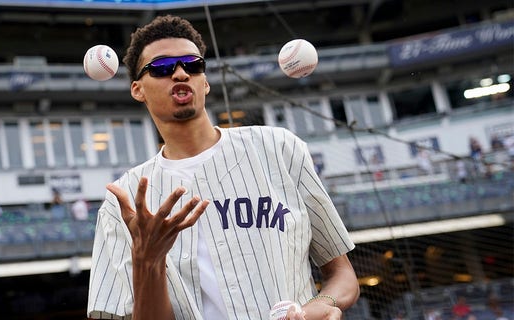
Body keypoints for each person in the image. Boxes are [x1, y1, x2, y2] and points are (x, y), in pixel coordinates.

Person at [87, 15, 359, 320]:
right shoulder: (123, 201)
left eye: (192, 65)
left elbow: (342, 275)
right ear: (138, 89)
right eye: (162, 68)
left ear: (205, 82)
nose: (179, 73)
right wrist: (147, 260)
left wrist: (323, 305)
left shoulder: (280, 148)